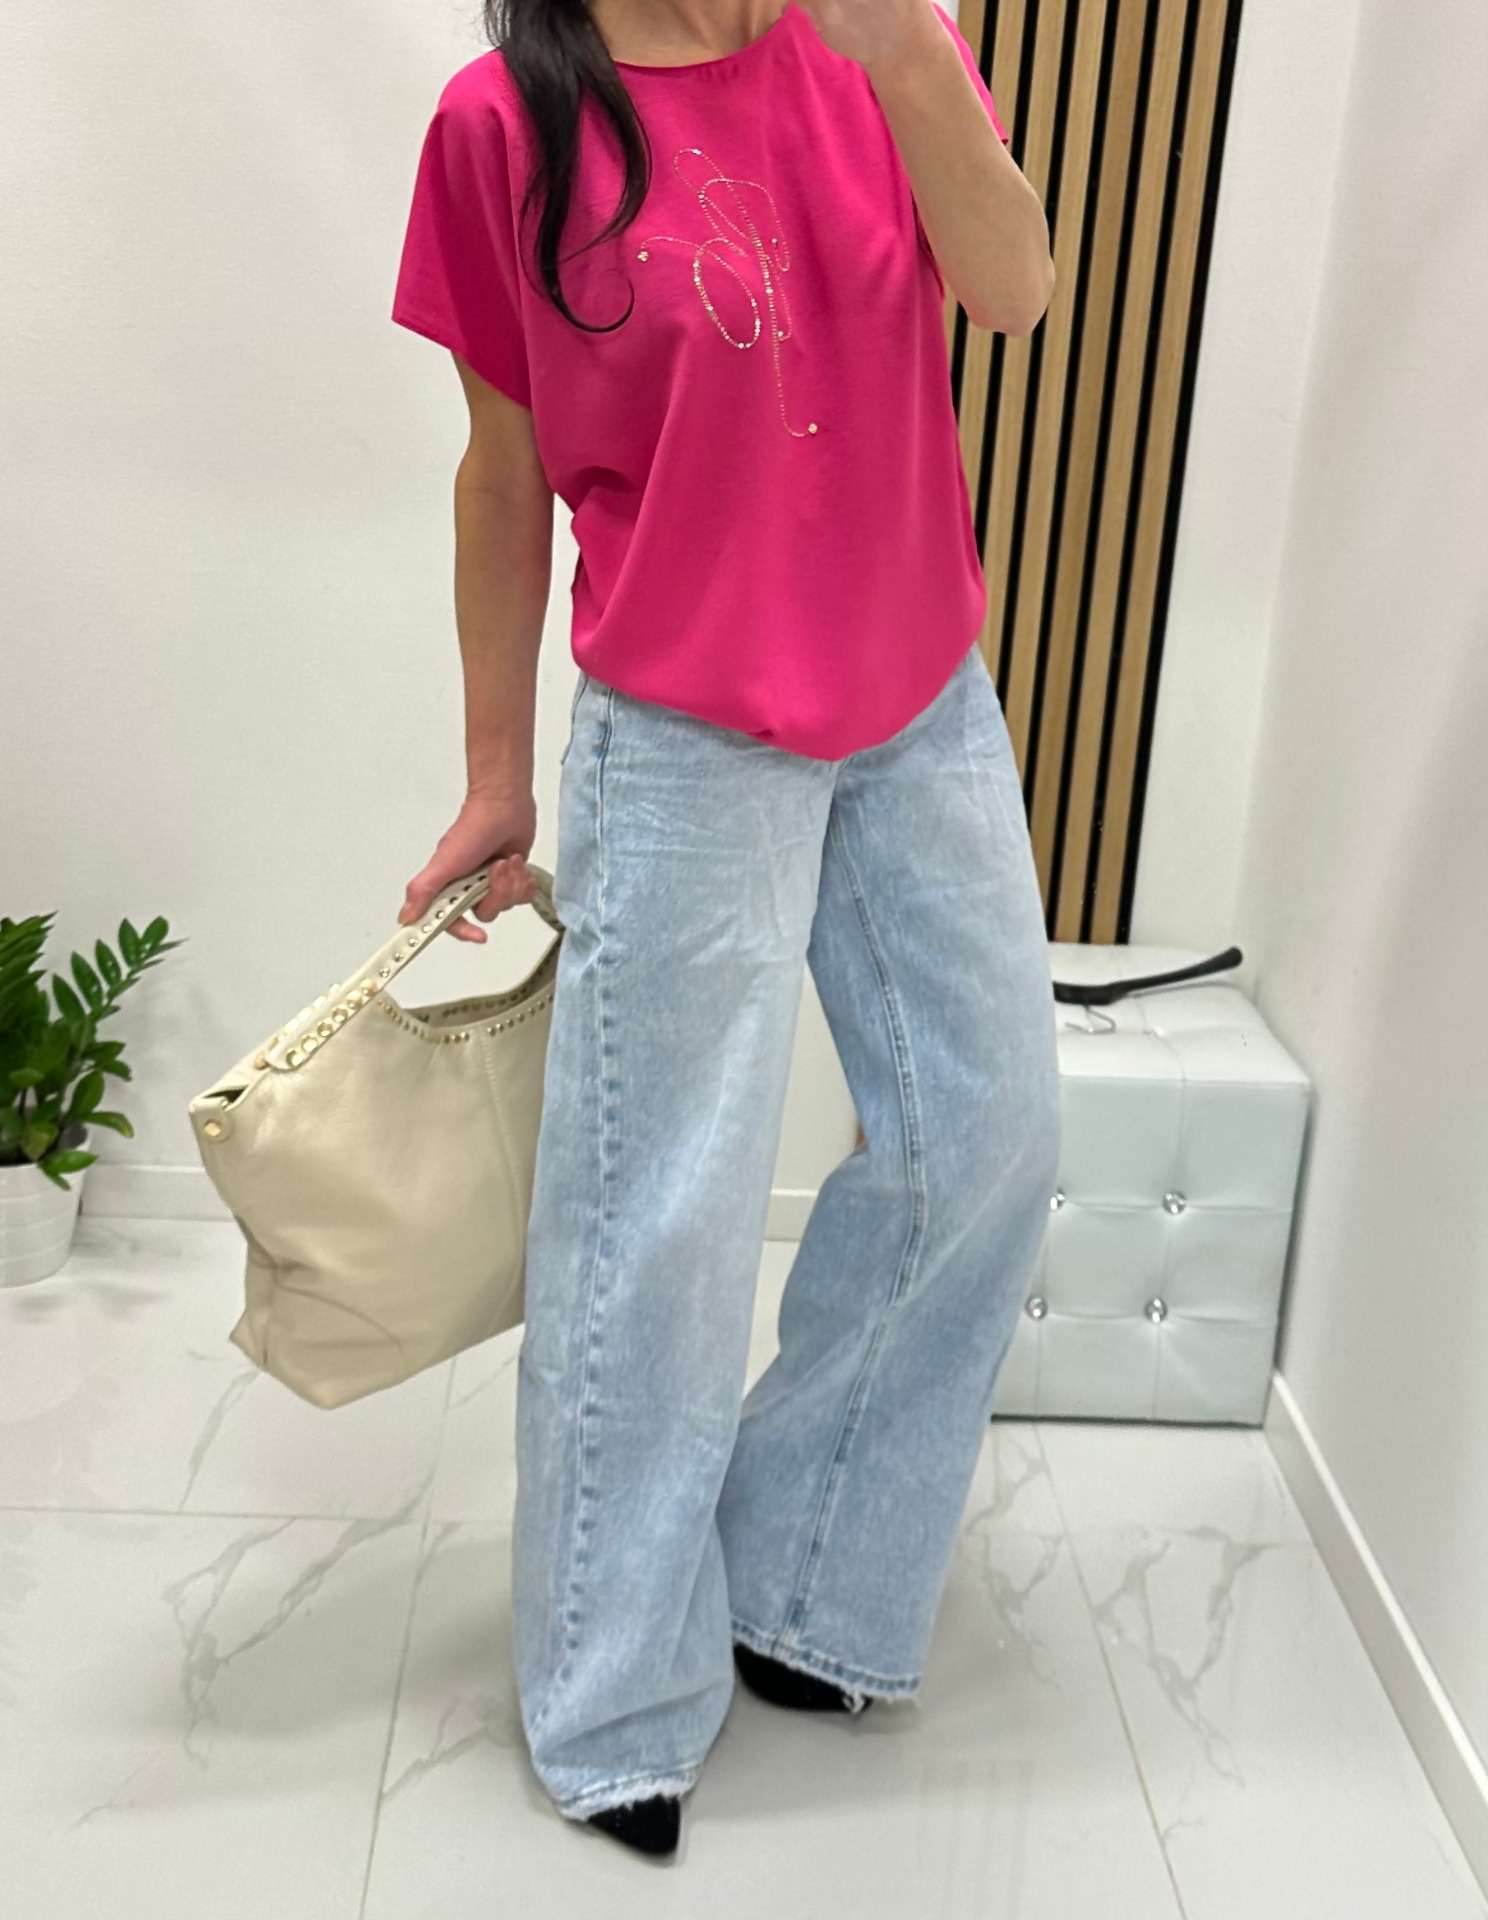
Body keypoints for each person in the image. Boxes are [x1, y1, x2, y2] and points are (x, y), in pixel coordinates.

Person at [391, 0, 1060, 1861]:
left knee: (989, 1139)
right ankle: (612, 1697)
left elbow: (1014, 289)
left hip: (919, 701)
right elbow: (503, 470)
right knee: (657, 1220)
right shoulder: (503, 124)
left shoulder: (880, 43)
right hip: (686, 729)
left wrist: (906, 52)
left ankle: (811, 1578)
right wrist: (496, 772)